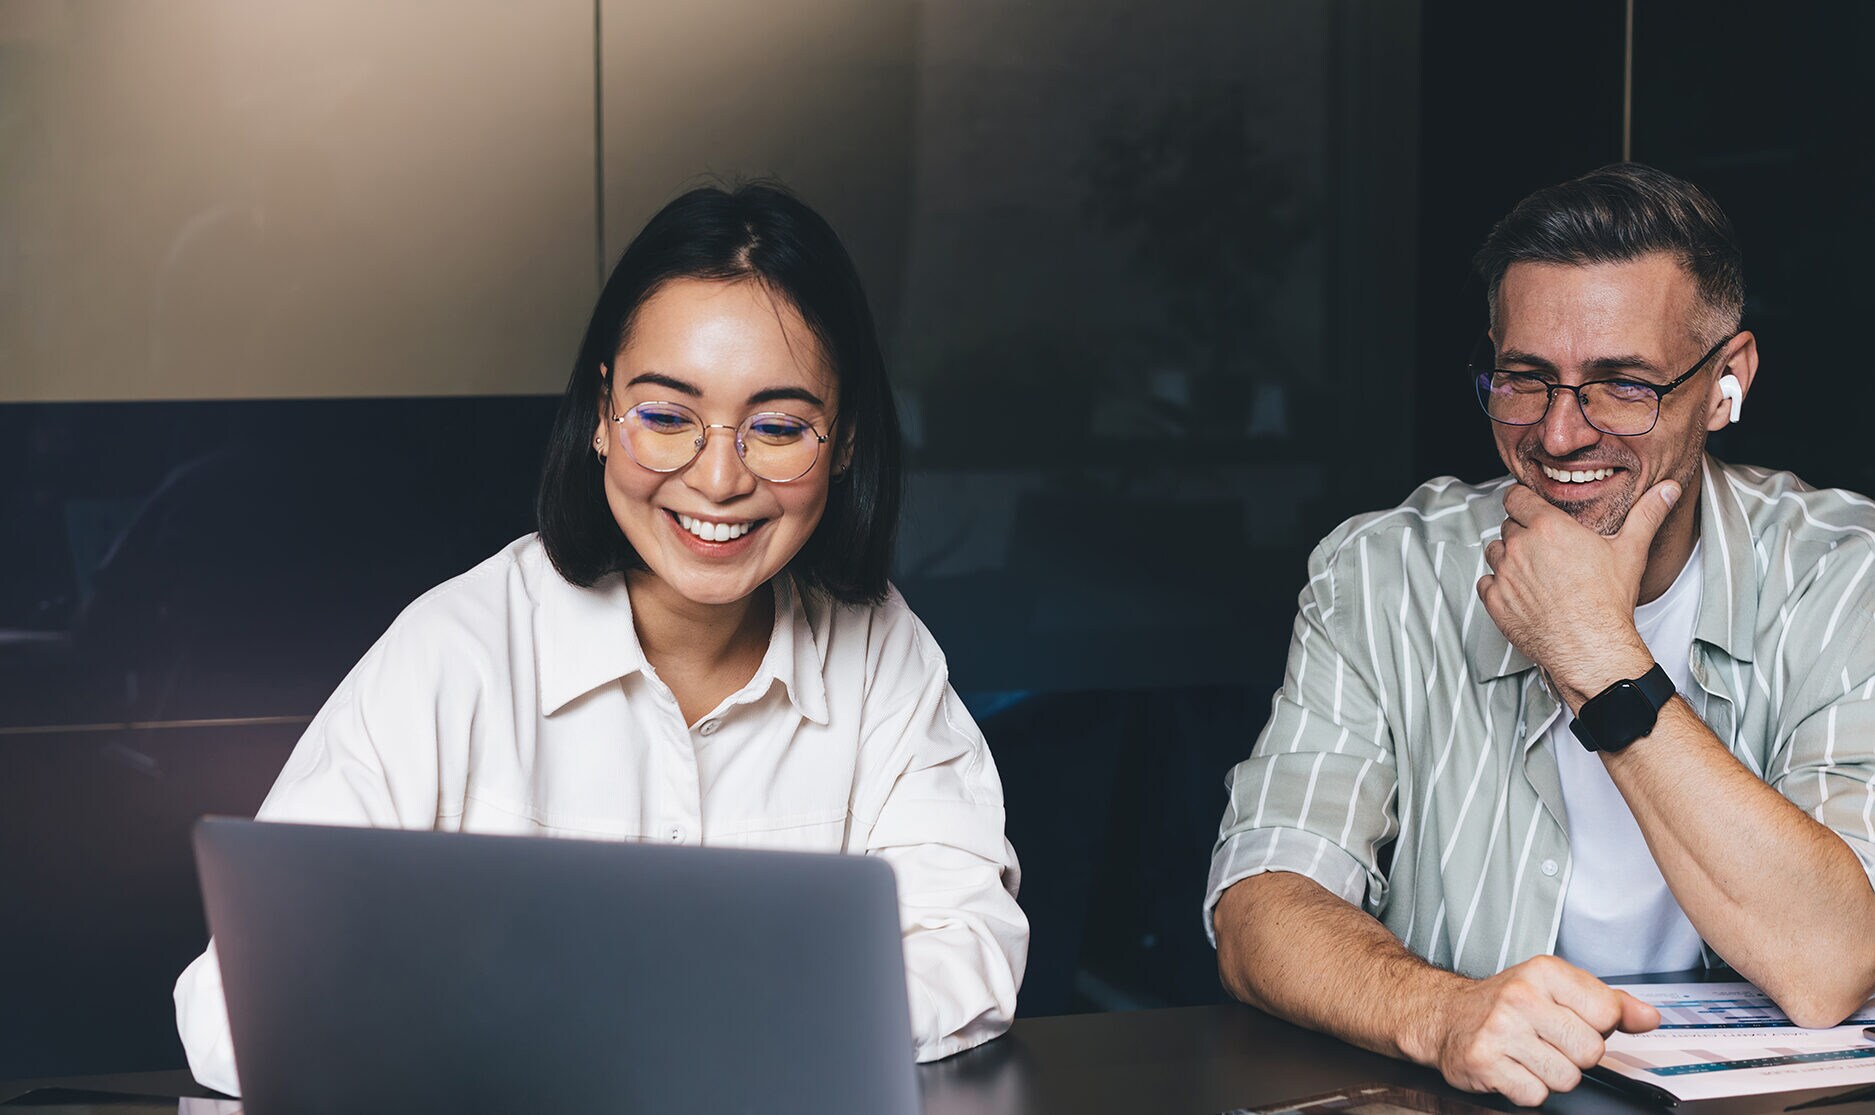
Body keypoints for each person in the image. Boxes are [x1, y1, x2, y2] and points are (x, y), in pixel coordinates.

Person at [174, 182, 1029, 1095]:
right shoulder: (456, 650)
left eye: (777, 427)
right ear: (599, 412)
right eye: (665, 417)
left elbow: (966, 949)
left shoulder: (882, 655)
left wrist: (664, 1022)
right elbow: (231, 1005)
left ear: (846, 439)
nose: (718, 477)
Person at [1207, 163, 1875, 1106]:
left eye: (1621, 385)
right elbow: (1260, 905)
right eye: (1525, 379)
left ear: (1728, 380)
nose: (1559, 434)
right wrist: (1444, 1014)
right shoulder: (1381, 572)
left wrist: (1595, 656)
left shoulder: (1845, 577)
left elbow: (1829, 962)